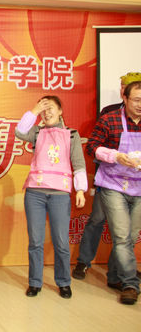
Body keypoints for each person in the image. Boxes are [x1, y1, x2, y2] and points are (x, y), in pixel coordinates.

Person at [15, 96, 86, 299]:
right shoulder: (37, 132)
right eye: (43, 108)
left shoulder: (72, 134)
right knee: (35, 242)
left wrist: (80, 190)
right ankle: (34, 282)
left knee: (61, 241)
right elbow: (19, 131)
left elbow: (78, 163)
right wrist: (34, 111)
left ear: (61, 110)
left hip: (60, 194)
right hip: (35, 193)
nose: (47, 112)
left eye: (50, 108)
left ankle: (63, 282)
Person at [73, 72, 141, 280]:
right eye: (122, 86)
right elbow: (93, 146)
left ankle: (119, 272)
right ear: (125, 96)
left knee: (127, 234)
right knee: (98, 220)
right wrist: (115, 157)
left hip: (136, 186)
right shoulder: (110, 114)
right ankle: (84, 261)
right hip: (110, 181)